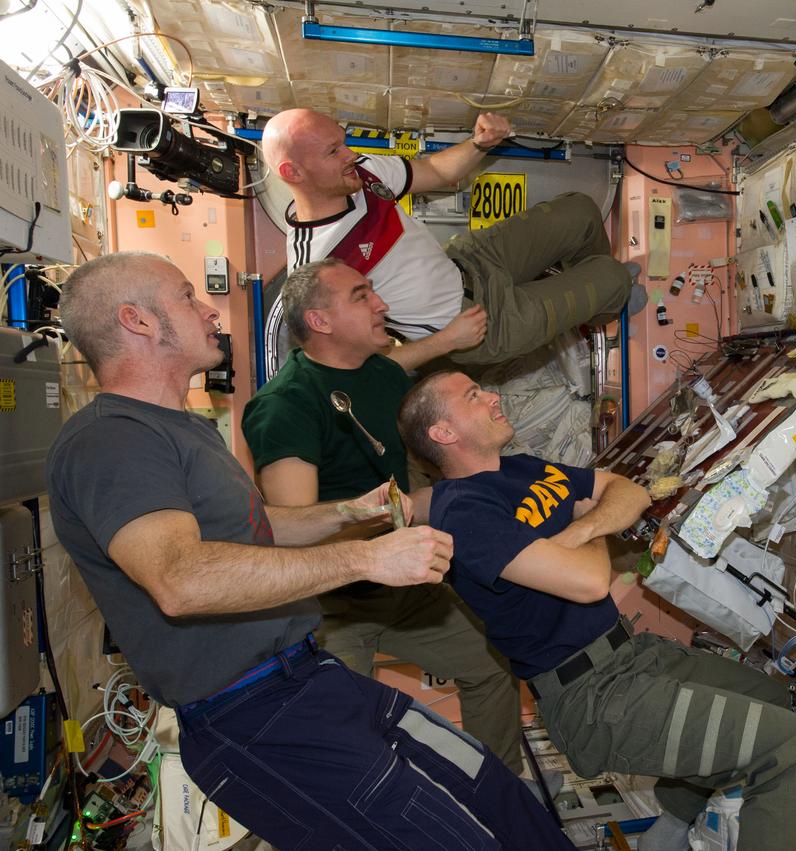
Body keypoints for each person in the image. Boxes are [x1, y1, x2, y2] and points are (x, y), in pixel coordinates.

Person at [46, 252, 573, 851]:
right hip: (255, 717)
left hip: (309, 678)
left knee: (491, 788)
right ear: (137, 321)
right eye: (188, 296)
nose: (209, 310)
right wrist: (365, 559)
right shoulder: (111, 440)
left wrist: (349, 514)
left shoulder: (182, 428)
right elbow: (181, 578)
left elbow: (253, 527)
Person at [397, 371, 796, 851]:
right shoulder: (465, 512)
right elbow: (587, 582)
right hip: (590, 696)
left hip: (631, 654)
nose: (494, 397)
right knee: (790, 748)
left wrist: (580, 531)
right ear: (444, 433)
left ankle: (670, 829)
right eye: (474, 396)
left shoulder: (519, 468)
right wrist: (589, 520)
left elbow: (628, 490)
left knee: (771, 697)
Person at [241, 257, 524, 776]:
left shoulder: (376, 371)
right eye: (361, 295)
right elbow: (291, 527)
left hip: (402, 591)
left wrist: (450, 339)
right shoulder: (287, 405)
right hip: (333, 606)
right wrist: (393, 513)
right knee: (343, 738)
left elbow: (399, 363)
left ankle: (500, 795)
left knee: (490, 664)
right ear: (321, 323)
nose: (382, 304)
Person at [262, 108, 634, 364]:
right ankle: (608, 302)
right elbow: (356, 363)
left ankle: (598, 308)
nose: (351, 154)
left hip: (469, 262)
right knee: (613, 276)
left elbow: (435, 172)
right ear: (292, 172)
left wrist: (479, 143)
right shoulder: (317, 266)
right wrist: (446, 342)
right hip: (474, 323)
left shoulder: (362, 174)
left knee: (582, 211)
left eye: (343, 142)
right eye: (333, 151)